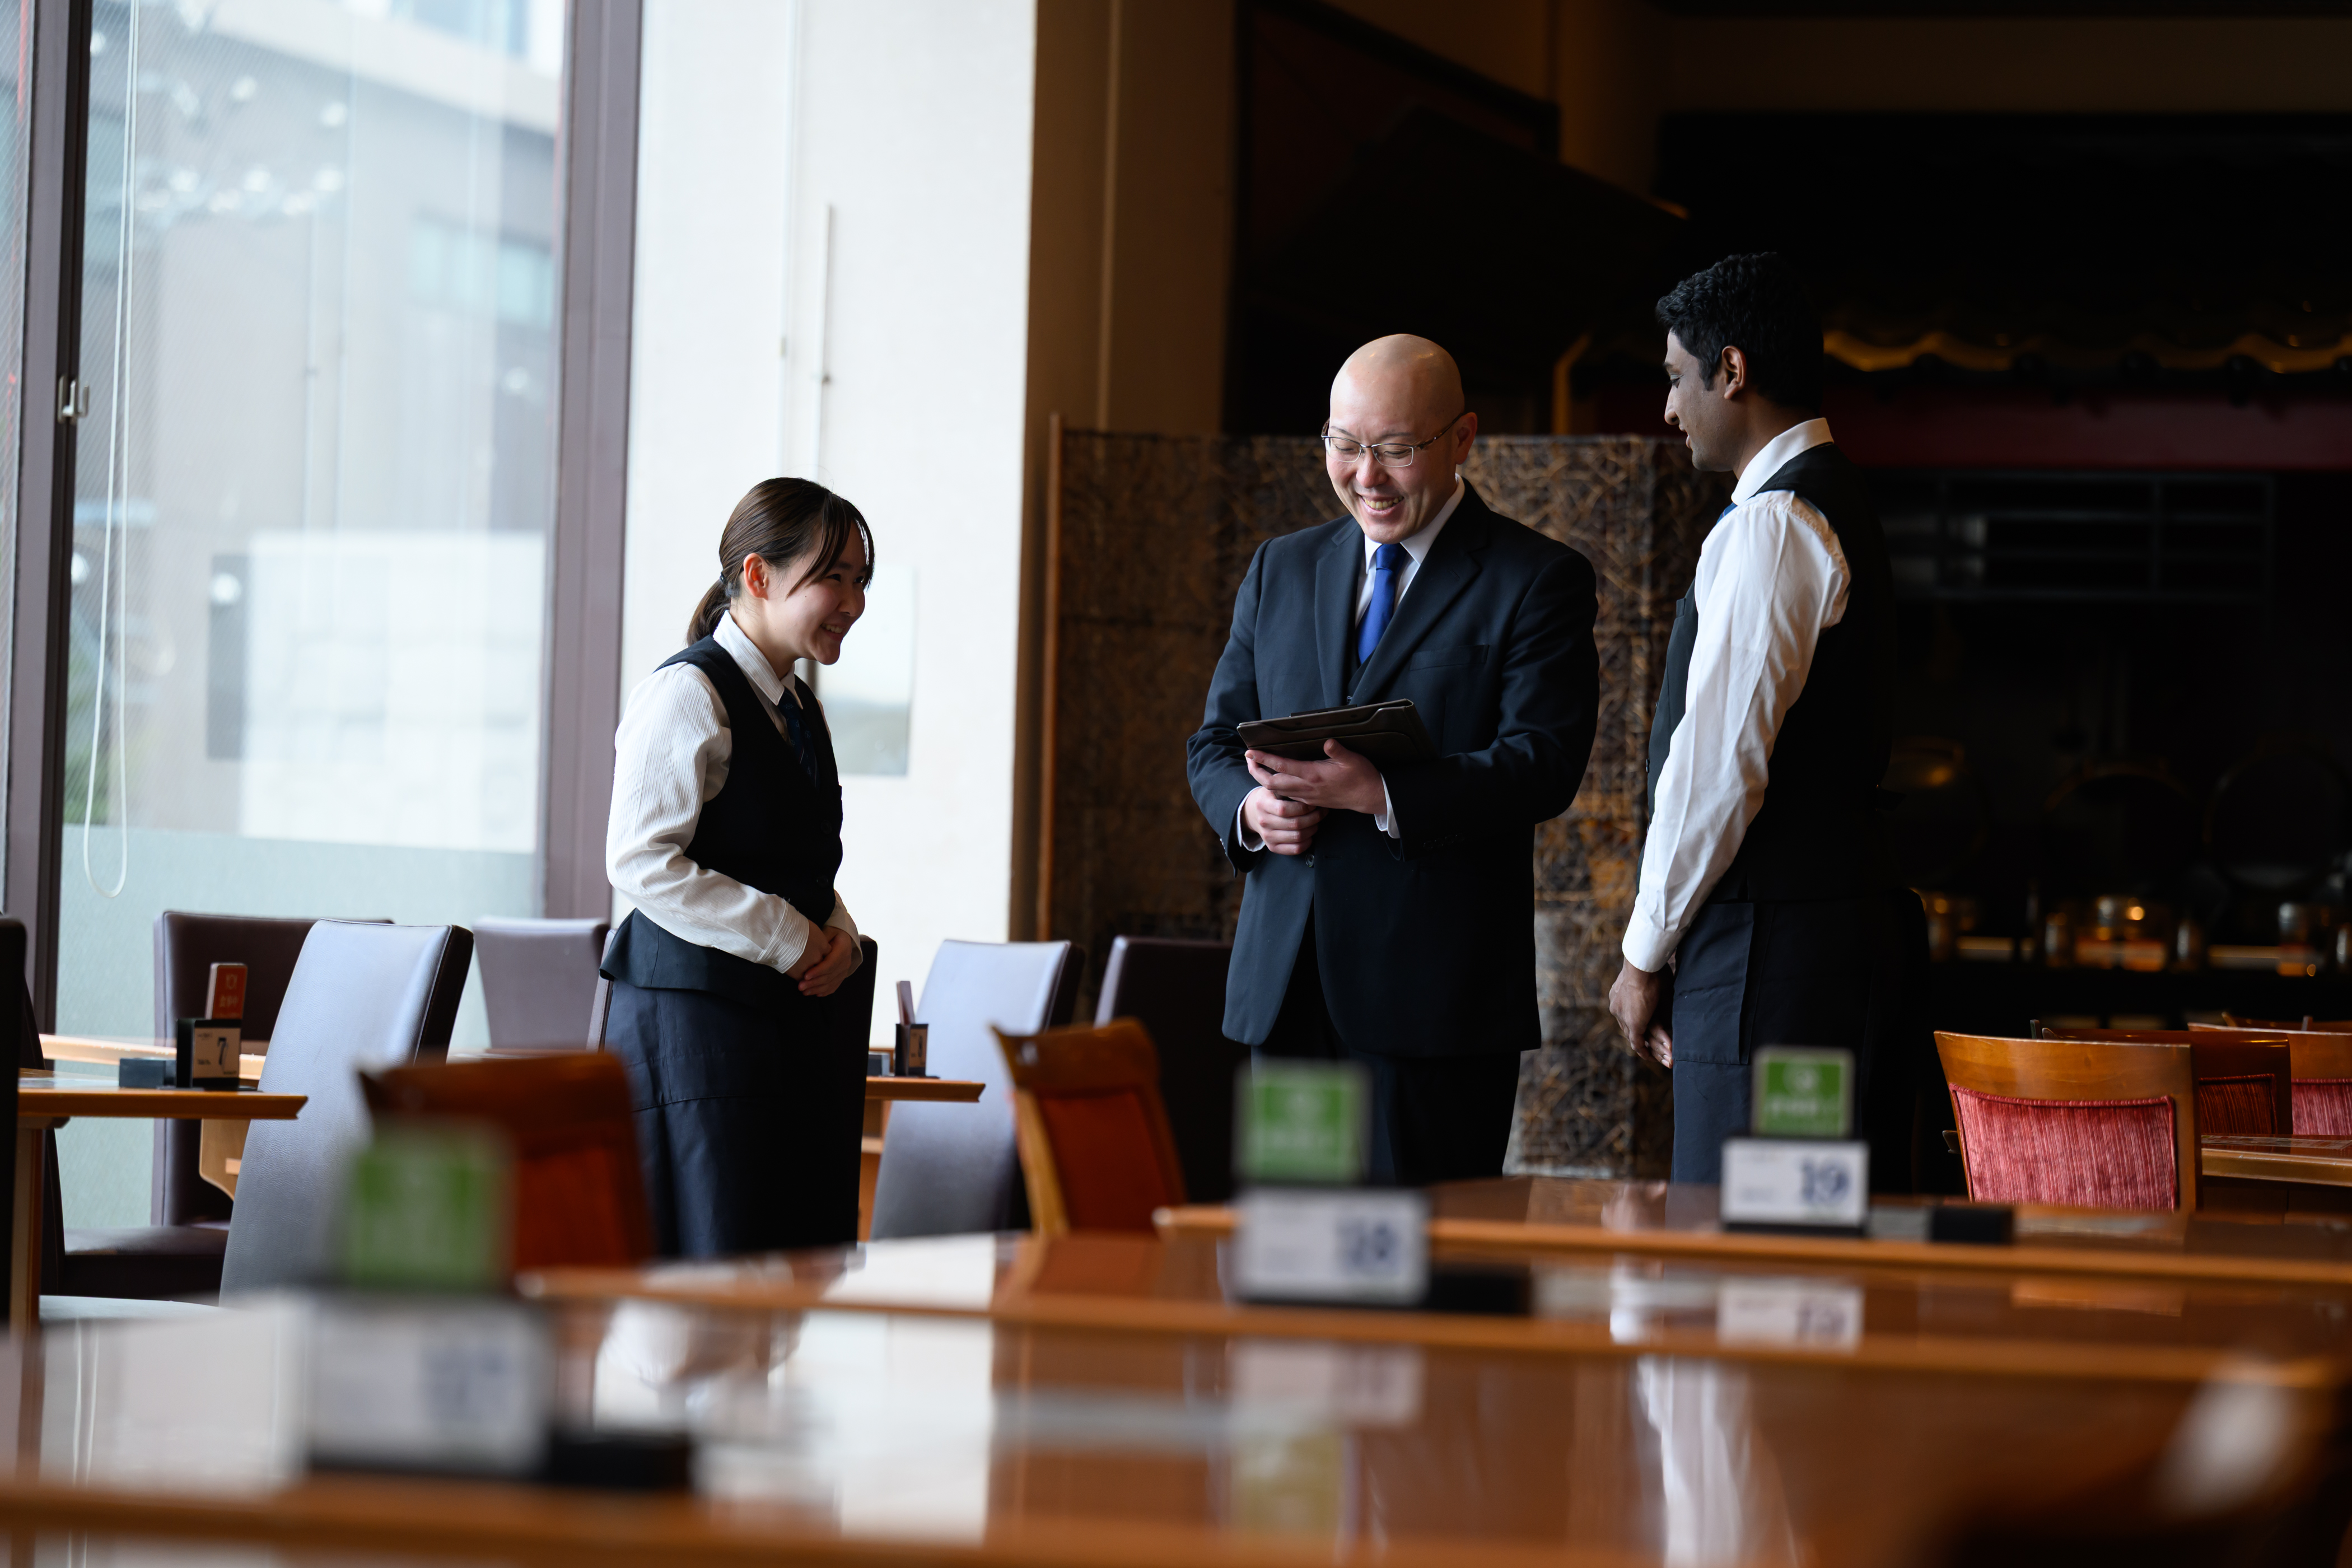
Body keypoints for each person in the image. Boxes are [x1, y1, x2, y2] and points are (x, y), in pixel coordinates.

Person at [1188, 334, 1600, 1187]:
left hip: (1435, 1007)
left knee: (1420, 1255)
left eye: (1397, 450)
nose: (1366, 476)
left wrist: (1383, 794)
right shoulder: (1281, 567)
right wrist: (1250, 812)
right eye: (1345, 444)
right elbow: (1216, 743)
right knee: (1292, 1251)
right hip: (1289, 990)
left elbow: (1545, 761)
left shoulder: (1536, 578)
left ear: (1462, 439)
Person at [1606, 253, 1927, 1187]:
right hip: (1825, 942)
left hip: (1775, 959)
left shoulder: (1775, 522)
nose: (1670, 409)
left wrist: (1642, 955)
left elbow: (1717, 771)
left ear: (1733, 371)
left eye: (1677, 378)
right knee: (1813, 1234)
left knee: (1748, 1241)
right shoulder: (1835, 498)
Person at [601, 477, 873, 1256]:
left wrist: (840, 936)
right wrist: (791, 937)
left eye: (861, 581)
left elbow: (796, 857)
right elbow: (640, 859)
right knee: (715, 1272)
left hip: (782, 1032)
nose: (853, 602)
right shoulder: (686, 692)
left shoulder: (798, 708)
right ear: (758, 576)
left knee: (789, 1270)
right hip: (698, 1036)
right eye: (834, 577)